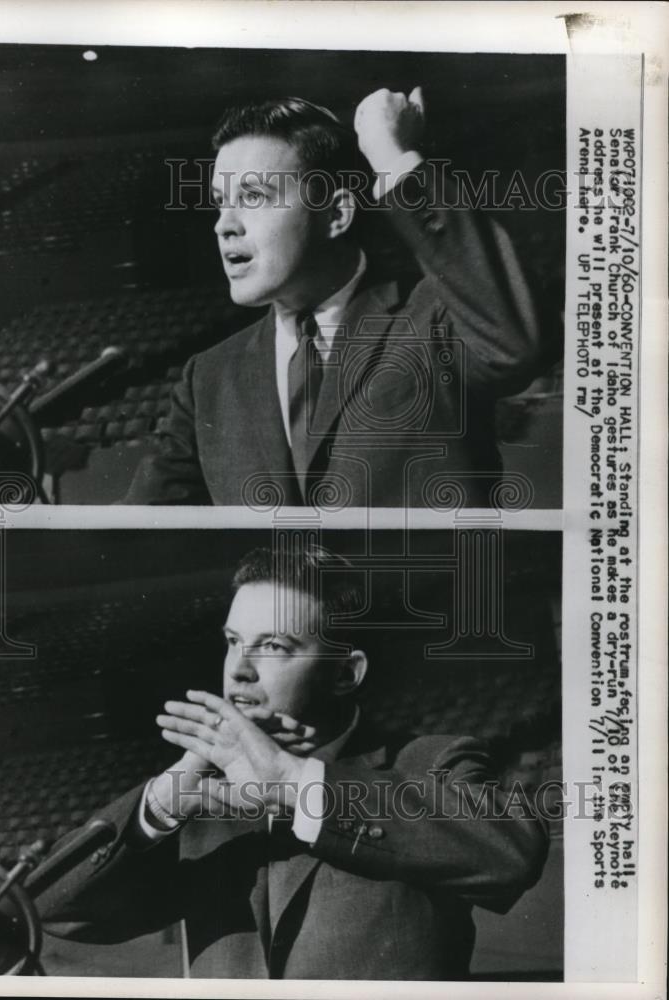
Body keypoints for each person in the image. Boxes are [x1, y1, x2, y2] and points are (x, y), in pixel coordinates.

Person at [36, 544, 549, 980]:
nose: (238, 670)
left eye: (274, 647)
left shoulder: (430, 761)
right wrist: (160, 803)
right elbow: (49, 907)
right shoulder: (200, 800)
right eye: (233, 643)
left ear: (345, 674)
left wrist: (290, 780)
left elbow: (514, 855)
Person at [123, 88, 542, 507]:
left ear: (336, 214)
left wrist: (390, 154)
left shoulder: (434, 321)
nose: (224, 226)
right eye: (220, 203)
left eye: (252, 197)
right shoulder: (207, 378)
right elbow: (134, 530)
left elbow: (511, 342)